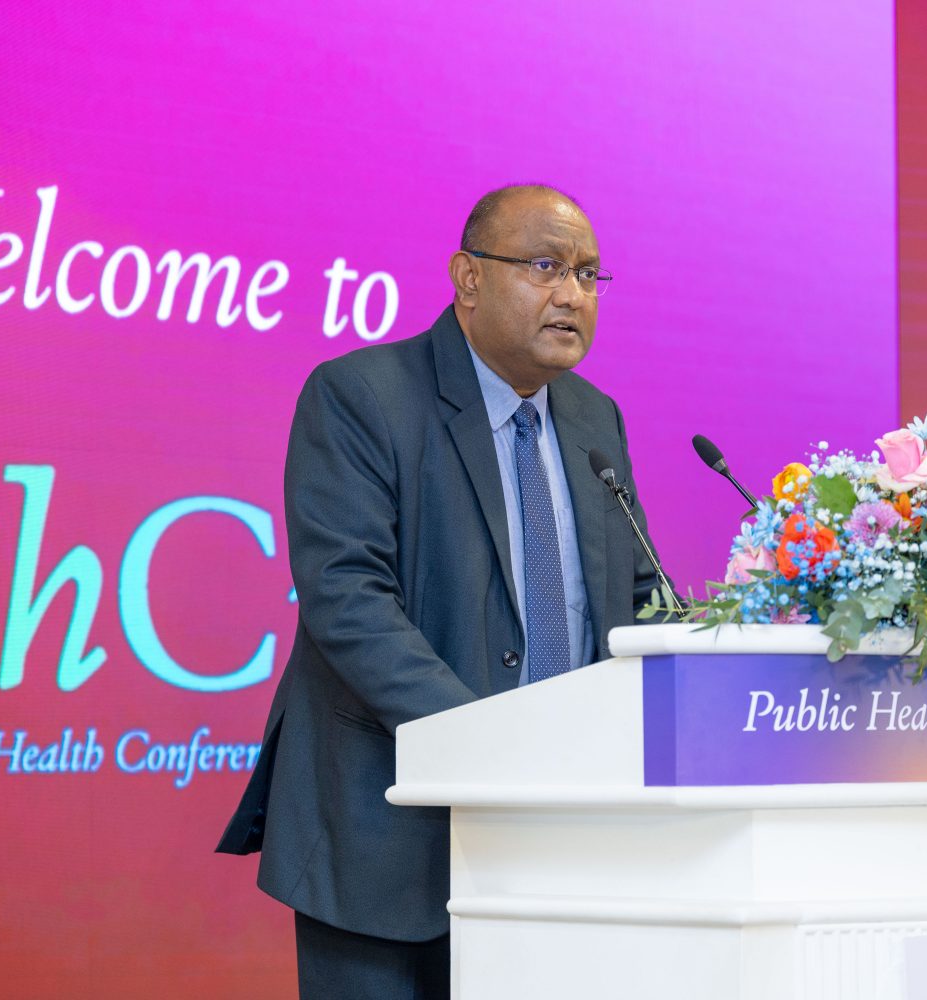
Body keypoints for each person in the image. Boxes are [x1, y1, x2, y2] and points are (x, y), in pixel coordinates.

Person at [217, 185, 668, 999]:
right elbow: (347, 597)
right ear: (468, 278)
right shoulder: (363, 395)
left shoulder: (594, 419)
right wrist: (488, 745)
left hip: (563, 840)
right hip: (387, 834)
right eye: (546, 266)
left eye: (588, 274)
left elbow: (636, 597)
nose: (572, 294)